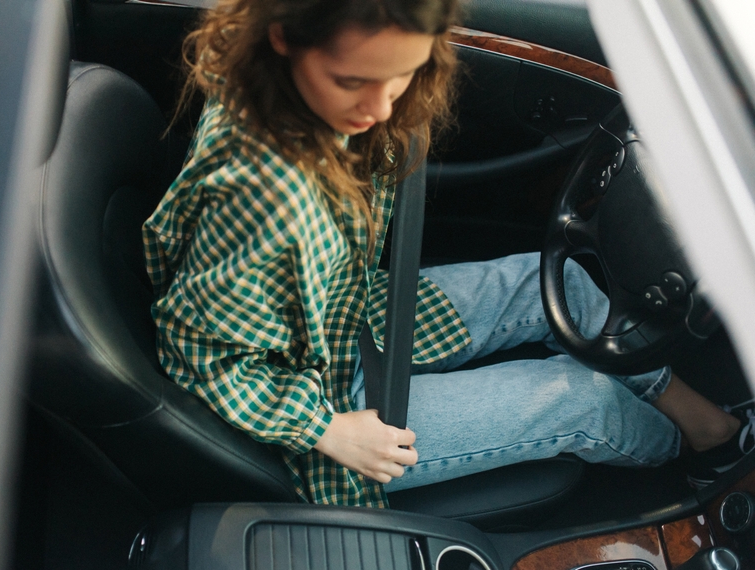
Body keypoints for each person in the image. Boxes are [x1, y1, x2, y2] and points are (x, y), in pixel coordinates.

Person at [142, 0, 750, 507]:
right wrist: (325, 430)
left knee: (548, 283)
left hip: (345, 315)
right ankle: (715, 471)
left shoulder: (303, 93)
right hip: (318, 402)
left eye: (401, 74)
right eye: (353, 82)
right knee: (578, 399)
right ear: (283, 39)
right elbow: (197, 350)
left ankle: (711, 427)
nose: (380, 108)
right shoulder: (265, 196)